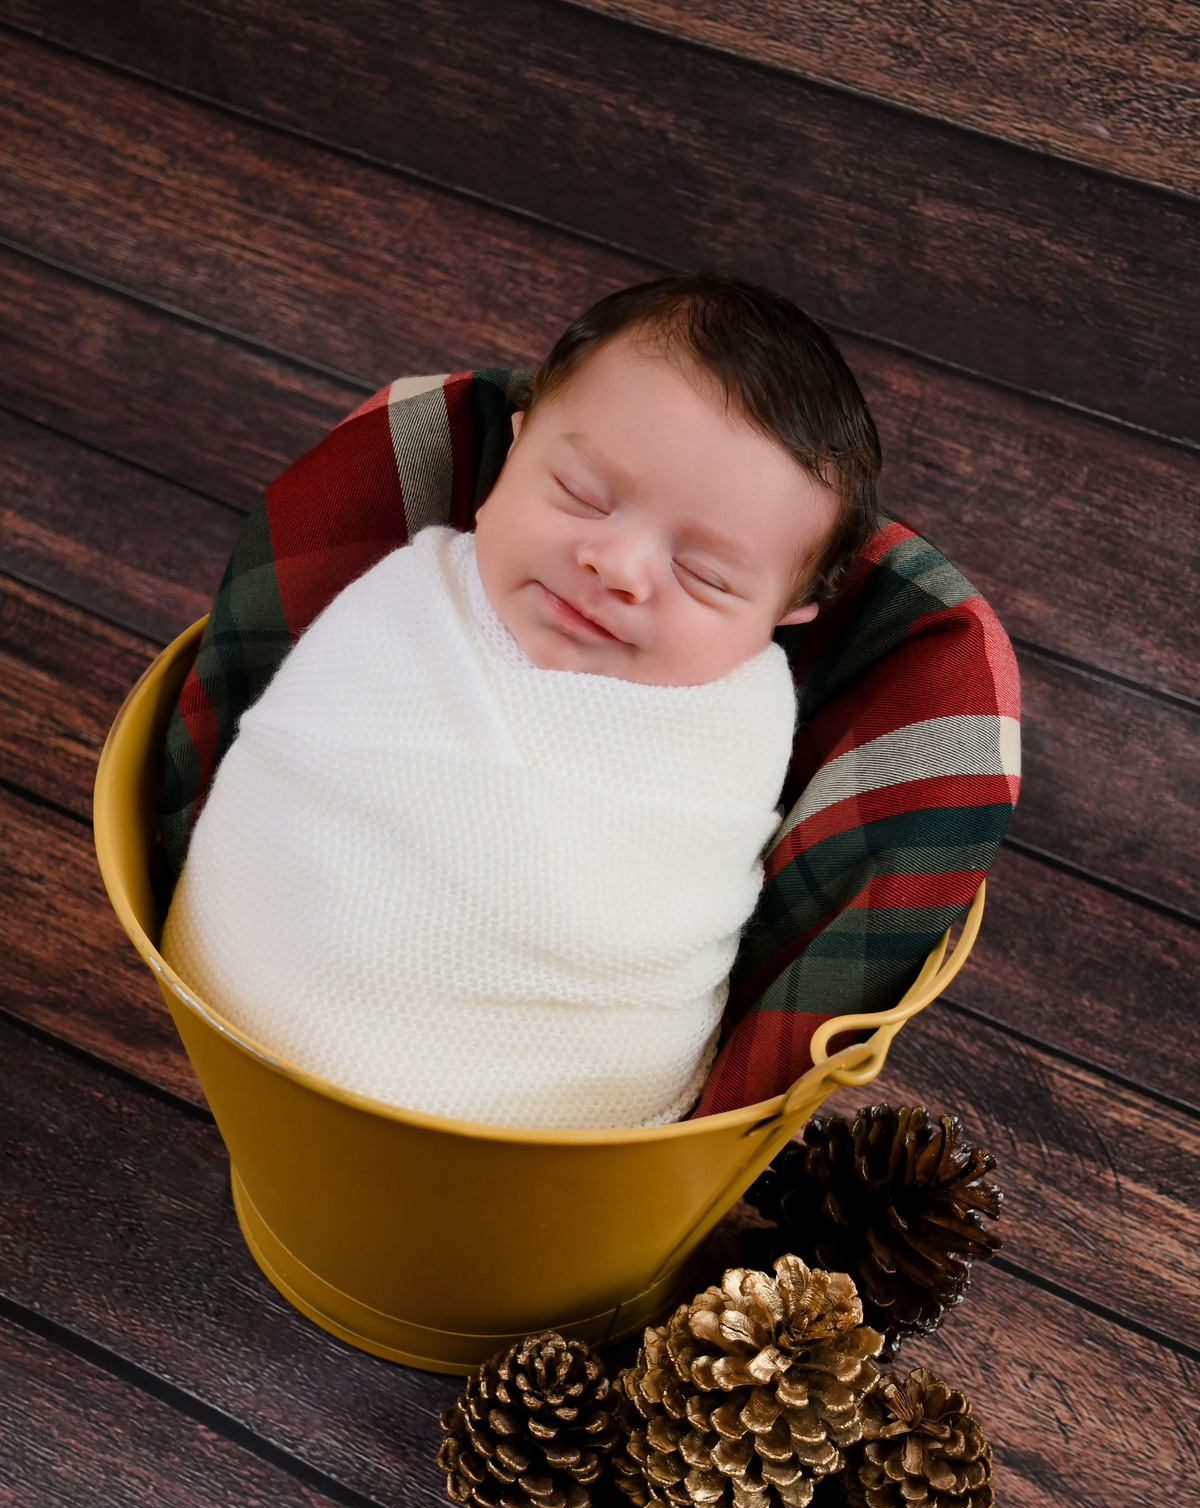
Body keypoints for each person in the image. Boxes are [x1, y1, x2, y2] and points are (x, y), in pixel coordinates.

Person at [161, 276, 888, 1128]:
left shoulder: (739, 724)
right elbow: (290, 775)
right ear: (516, 445)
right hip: (252, 1013)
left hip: (560, 1137)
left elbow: (663, 910)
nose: (616, 565)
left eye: (706, 575)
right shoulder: (409, 600)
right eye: (582, 493)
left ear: (787, 616)